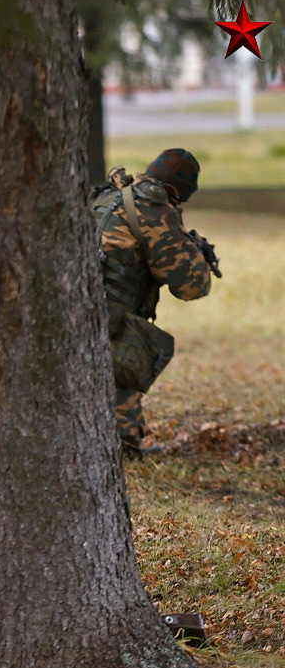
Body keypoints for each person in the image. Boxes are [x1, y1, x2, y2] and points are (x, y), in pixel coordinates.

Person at [93, 149, 212, 459]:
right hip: (110, 319)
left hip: (76, 308)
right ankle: (122, 448)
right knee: (131, 356)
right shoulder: (152, 209)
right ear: (178, 191)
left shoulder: (111, 195)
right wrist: (195, 254)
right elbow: (191, 286)